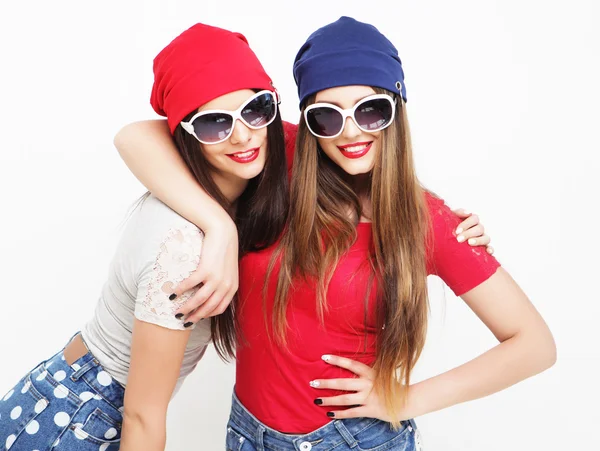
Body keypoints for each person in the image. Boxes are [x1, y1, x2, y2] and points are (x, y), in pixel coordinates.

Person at [113, 18, 537, 451]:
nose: (351, 131)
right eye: (327, 116)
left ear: (397, 108)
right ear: (307, 121)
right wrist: (218, 226)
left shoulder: (432, 223)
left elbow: (533, 344)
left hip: (350, 440)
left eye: (371, 110)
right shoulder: (284, 156)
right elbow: (135, 136)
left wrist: (404, 400)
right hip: (246, 432)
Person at [0, 22, 289, 451]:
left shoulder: (202, 196)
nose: (243, 134)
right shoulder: (183, 249)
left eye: (255, 109)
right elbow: (141, 414)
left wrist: (221, 224)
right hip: (79, 422)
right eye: (214, 123)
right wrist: (219, 225)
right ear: (186, 134)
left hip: (65, 398)